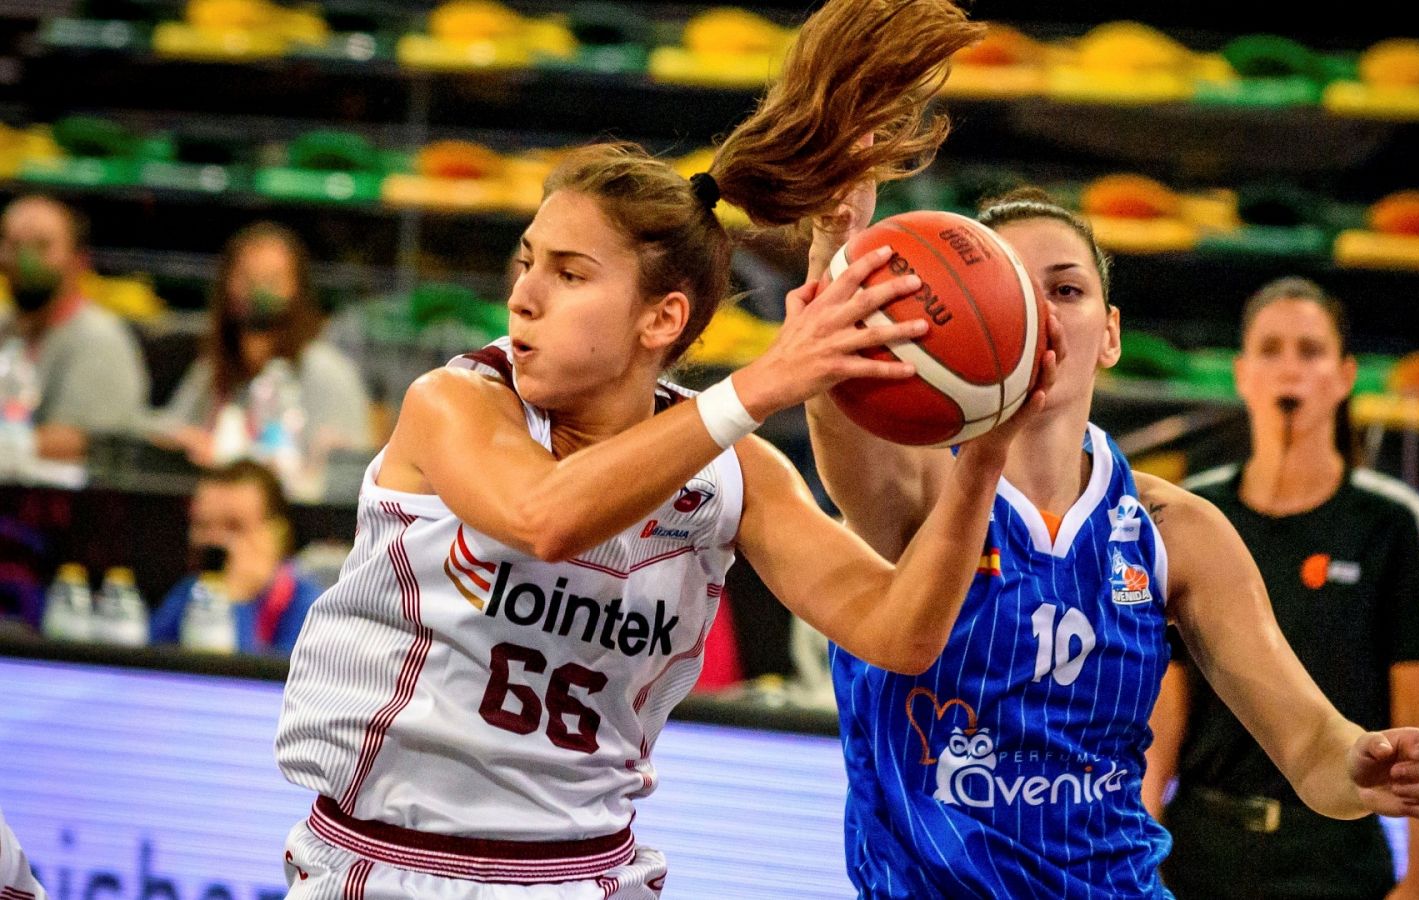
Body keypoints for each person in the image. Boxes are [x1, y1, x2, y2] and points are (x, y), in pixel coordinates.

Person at [273, 1, 1009, 895]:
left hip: (583, 874)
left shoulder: (735, 475)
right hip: (389, 867)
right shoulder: (455, 405)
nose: (525, 296)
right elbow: (545, 518)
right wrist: (765, 383)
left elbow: (903, 634)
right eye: (527, 261)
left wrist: (985, 450)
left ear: (661, 318)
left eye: (569, 273)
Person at [803, 188, 1419, 897]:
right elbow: (838, 420)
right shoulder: (920, 489)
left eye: (1068, 289)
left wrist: (1360, 763)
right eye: (1013, 286)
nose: (1041, 312)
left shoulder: (1177, 529)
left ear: (1110, 334)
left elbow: (1311, 744)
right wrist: (831, 263)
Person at [1143, 277, 1419, 900]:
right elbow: (1165, 696)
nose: (1290, 369)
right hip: (1203, 843)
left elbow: (1418, 710)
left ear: (1343, 377)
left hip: (1335, 848)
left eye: (1310, 352)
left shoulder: (1390, 521)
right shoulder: (1195, 512)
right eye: (1271, 349)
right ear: (1241, 373)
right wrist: (1142, 832)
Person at [155, 221, 371, 466]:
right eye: (247, 278)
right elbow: (168, 430)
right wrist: (186, 441)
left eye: (273, 279)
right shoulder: (214, 368)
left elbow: (351, 472)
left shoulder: (327, 371)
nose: (258, 292)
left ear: (297, 288)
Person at [0, 194, 148, 460]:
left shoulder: (100, 339)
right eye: (14, 244)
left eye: (42, 246)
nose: (26, 260)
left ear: (79, 260)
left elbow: (77, 442)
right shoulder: (5, 328)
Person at [149, 459, 322, 655]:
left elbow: (242, 681)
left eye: (235, 527)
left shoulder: (312, 609)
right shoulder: (191, 591)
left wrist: (234, 599)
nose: (214, 542)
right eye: (202, 525)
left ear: (278, 535)